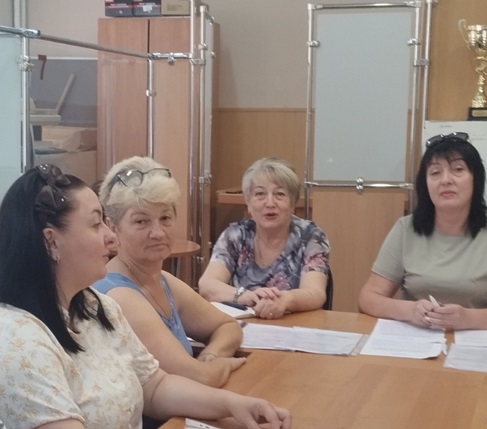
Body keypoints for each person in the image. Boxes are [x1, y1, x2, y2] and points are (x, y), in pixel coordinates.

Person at [0, 163, 290, 429]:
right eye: (96, 224)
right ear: (51, 242)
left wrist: (233, 404)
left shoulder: (96, 306)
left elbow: (155, 387)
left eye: (165, 218)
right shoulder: (19, 341)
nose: (110, 237)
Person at [358, 132, 487, 330]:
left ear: (476, 179)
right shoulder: (405, 229)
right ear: (425, 184)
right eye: (435, 173)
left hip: (476, 340)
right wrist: (410, 311)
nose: (446, 180)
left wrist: (468, 319)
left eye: (458, 170)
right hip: (416, 339)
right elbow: (368, 298)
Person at [94, 156, 245, 388]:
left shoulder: (161, 279)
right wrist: (216, 367)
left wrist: (210, 357)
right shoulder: (117, 294)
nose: (158, 233)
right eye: (141, 221)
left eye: (165, 218)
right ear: (113, 227)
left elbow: (228, 326)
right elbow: (198, 378)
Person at [199, 157, 331, 319]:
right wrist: (245, 296)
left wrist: (285, 300)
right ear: (248, 203)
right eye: (260, 194)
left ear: (292, 204)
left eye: (279, 194)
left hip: (293, 324)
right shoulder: (236, 235)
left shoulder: (311, 236)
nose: (270, 203)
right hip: (244, 326)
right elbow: (207, 285)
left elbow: (315, 293)